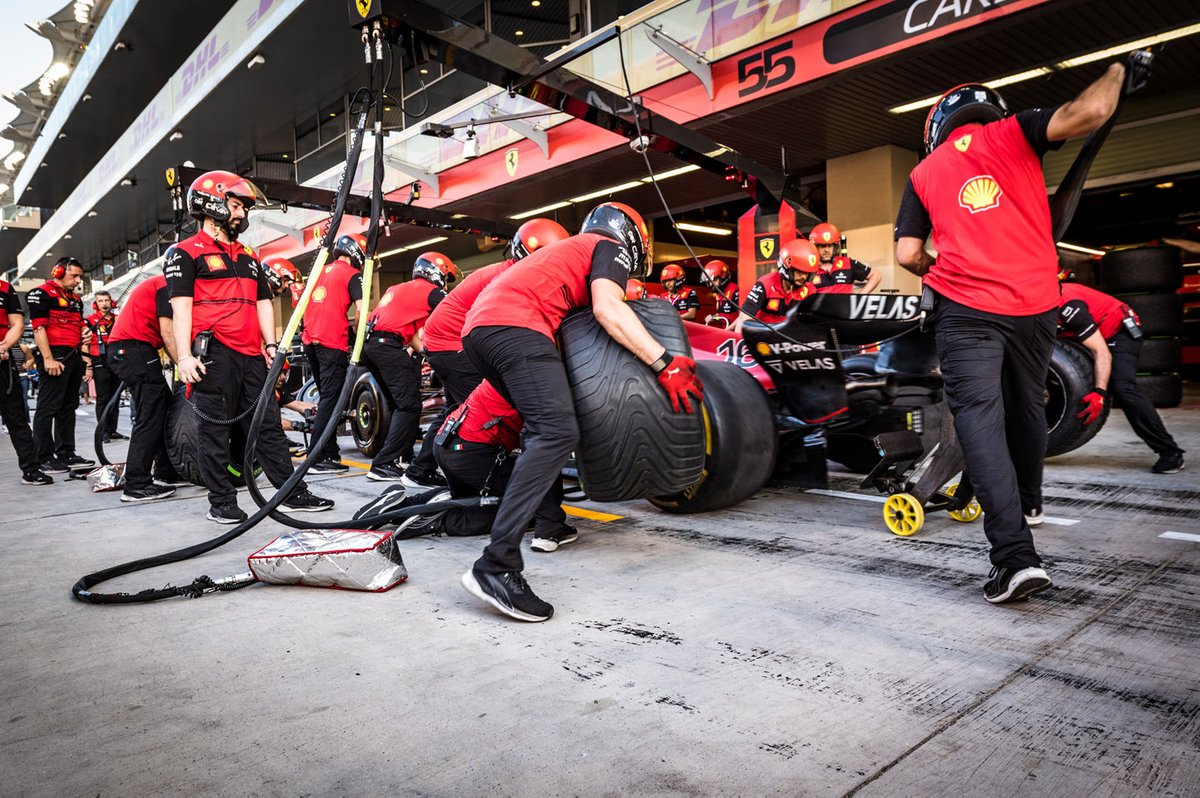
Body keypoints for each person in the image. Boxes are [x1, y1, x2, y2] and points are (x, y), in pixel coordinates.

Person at [894, 56, 1141, 604]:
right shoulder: (1016, 132)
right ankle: (1030, 500)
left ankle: (1014, 559)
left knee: (980, 421)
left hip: (966, 309)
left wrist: (943, 270)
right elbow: (1092, 110)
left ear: (936, 127)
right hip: (1035, 303)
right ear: (991, 111)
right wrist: (1121, 71)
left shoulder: (924, 173)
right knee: (1028, 405)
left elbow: (908, 252)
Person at [458, 201, 703, 622]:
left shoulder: (568, 254)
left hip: (480, 333)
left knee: (543, 434)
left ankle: (543, 526)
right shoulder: (607, 247)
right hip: (514, 326)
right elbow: (610, 309)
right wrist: (665, 362)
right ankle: (496, 566)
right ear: (631, 235)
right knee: (556, 432)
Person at [166, 169, 333, 523]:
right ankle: (222, 502)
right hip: (213, 356)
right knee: (215, 430)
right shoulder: (184, 253)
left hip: (252, 356)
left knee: (268, 425)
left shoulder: (247, 254)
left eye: (244, 207)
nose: (242, 213)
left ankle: (291, 493)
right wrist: (183, 356)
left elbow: (263, 303)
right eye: (236, 204)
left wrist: (270, 345)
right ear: (212, 203)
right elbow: (180, 307)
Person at [414, 218, 570, 487]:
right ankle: (492, 466)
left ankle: (419, 470)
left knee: (457, 410)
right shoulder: (511, 277)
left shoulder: (508, 270)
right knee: (487, 404)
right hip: (451, 340)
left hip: (443, 340)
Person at [1058, 281, 1185, 474]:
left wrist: (1099, 392)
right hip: (1085, 332)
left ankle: (1170, 452)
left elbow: (1101, 352)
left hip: (1117, 330)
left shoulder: (1069, 306)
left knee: (1122, 387)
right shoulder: (1030, 306)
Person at [361, 251, 458, 483]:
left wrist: (426, 352)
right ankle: (383, 464)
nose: (445, 283)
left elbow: (413, 336)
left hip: (371, 346)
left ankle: (402, 458)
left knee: (398, 405)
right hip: (387, 346)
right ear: (437, 272)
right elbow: (456, 312)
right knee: (410, 405)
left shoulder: (398, 288)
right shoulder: (432, 292)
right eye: (445, 276)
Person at [107, 275, 187, 502]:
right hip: (133, 349)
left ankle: (165, 471)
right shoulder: (167, 284)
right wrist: (185, 364)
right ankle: (136, 484)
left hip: (134, 350)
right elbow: (168, 333)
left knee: (163, 409)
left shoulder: (163, 284)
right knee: (150, 416)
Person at [301, 233, 365, 473]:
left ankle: (329, 452)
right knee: (332, 400)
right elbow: (361, 309)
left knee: (326, 399)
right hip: (331, 342)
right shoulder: (352, 275)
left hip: (310, 341)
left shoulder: (319, 271)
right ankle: (316, 457)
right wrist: (358, 335)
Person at [27, 257, 95, 473]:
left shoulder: (75, 298)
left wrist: (84, 334)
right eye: (73, 275)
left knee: (68, 406)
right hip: (53, 355)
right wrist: (47, 359)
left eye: (80, 277)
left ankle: (66, 453)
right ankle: (44, 457)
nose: (77, 280)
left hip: (73, 355)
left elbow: (78, 324)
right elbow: (39, 328)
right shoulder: (41, 293)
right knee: (48, 407)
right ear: (57, 272)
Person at [0, 278, 50, 485]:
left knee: (17, 418)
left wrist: (3, 347)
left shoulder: (4, 288)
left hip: (3, 361)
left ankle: (31, 470)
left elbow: (18, 325)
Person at [732, 238, 821, 331]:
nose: (803, 276)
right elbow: (744, 318)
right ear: (786, 267)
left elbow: (813, 323)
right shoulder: (765, 284)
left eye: (806, 273)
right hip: (761, 335)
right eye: (799, 271)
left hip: (790, 338)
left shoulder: (810, 291)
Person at [85, 290, 125, 442]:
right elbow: (85, 343)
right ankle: (103, 432)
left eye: (106, 300)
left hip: (117, 361)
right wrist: (88, 365)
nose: (104, 303)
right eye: (100, 301)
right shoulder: (90, 321)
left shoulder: (118, 318)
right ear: (96, 304)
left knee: (115, 397)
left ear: (111, 302)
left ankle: (112, 430)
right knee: (103, 398)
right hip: (99, 361)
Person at [807, 222, 881, 295]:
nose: (827, 250)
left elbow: (876, 275)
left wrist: (859, 297)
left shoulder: (848, 263)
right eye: (823, 246)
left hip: (845, 307)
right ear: (815, 247)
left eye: (830, 246)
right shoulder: (808, 269)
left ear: (835, 247)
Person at [699, 260, 738, 327]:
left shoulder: (735, 290)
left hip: (736, 333)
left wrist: (728, 330)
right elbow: (723, 314)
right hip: (726, 332)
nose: (711, 284)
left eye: (714, 280)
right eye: (709, 281)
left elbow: (742, 317)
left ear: (723, 277)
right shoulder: (720, 293)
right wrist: (713, 318)